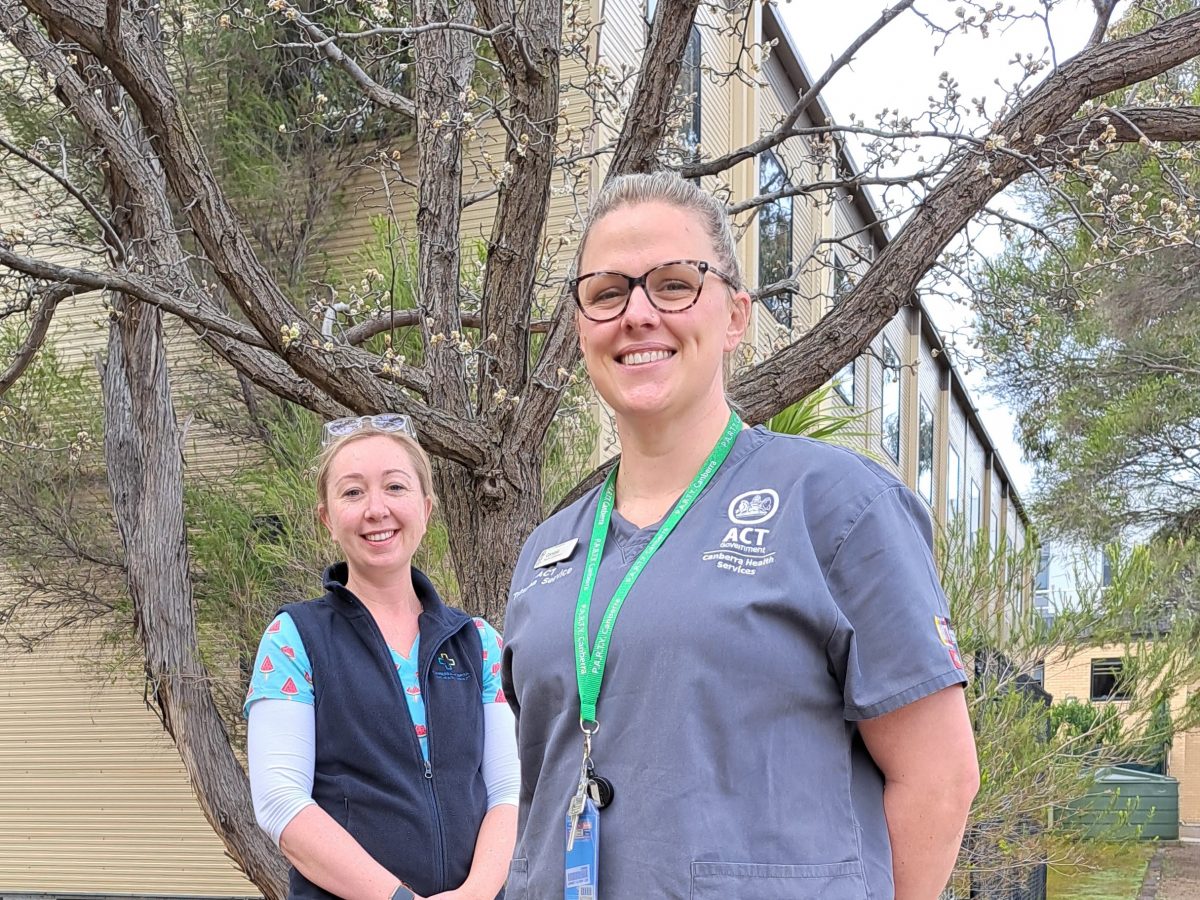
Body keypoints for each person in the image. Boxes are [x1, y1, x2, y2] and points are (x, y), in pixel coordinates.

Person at [501, 173, 980, 899]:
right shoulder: (546, 553)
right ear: (581, 329)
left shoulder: (837, 507)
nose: (637, 314)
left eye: (673, 284)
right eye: (606, 292)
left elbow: (939, 779)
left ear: (734, 317)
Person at [245, 414, 518, 900]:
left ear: (426, 508)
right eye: (352, 492)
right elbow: (279, 803)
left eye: (395, 487)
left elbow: (508, 793)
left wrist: (474, 894)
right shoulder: (294, 640)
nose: (376, 509)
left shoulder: (477, 642)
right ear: (327, 518)